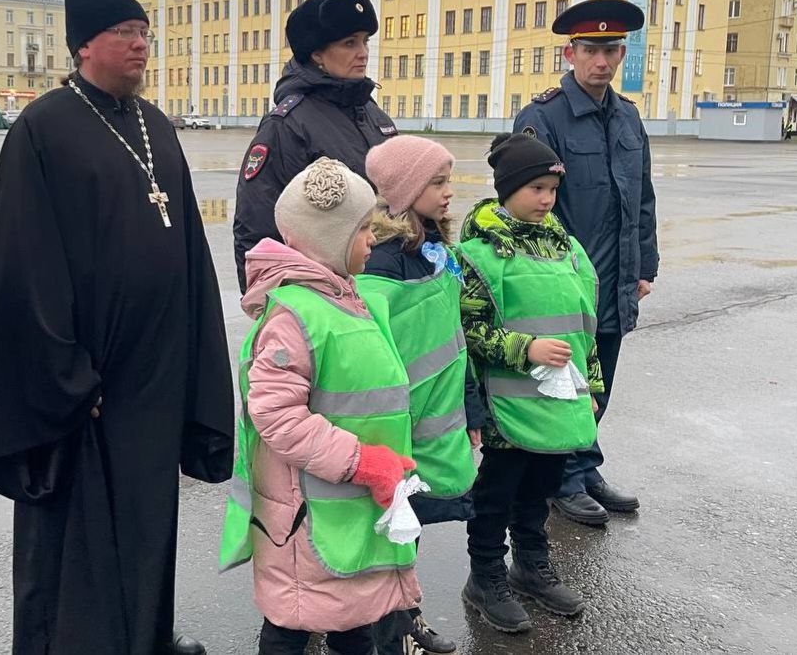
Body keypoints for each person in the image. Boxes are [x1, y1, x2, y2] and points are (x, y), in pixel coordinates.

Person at [0, 0, 234, 655]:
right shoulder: (44, 130)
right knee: (76, 537)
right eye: (125, 33)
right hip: (89, 385)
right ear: (84, 45)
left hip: (154, 378)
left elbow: (189, 253)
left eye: (144, 33)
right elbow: (23, 268)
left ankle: (145, 637)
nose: (141, 45)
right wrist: (68, 376)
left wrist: (195, 353)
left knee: (145, 523)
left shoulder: (156, 126)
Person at [219, 157, 421, 655]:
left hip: (345, 504)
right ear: (328, 240)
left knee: (352, 616)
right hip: (305, 515)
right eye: (362, 231)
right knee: (293, 620)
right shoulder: (295, 314)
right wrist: (363, 460)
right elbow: (275, 415)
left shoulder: (350, 298)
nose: (373, 240)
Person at [513, 0, 659, 526]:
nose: (602, 61)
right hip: (564, 282)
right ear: (571, 51)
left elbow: (642, 195)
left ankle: (585, 461)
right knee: (564, 379)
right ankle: (563, 478)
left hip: (616, 276)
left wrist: (645, 265)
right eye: (591, 50)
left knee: (601, 380)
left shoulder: (627, 116)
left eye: (612, 50)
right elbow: (527, 206)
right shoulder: (543, 116)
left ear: (622, 52)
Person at [456, 133, 602, 633]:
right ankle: (486, 576)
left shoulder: (567, 247)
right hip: (506, 409)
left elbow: (585, 324)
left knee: (541, 489)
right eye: (536, 188)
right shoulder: (479, 253)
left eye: (552, 190)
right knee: (497, 493)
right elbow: (469, 332)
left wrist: (594, 386)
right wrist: (526, 349)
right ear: (507, 188)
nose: (546, 200)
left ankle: (532, 566)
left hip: (560, 403)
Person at [359, 136, 483, 655]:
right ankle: (381, 630)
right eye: (437, 182)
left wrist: (471, 407)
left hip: (438, 417)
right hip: (397, 422)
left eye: (448, 180)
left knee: (410, 527)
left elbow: (454, 342)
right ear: (406, 190)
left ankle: (404, 615)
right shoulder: (384, 262)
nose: (450, 192)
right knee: (388, 527)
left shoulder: (436, 249)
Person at [232, 0, 396, 290]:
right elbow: (257, 229)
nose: (363, 52)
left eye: (365, 41)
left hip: (387, 291)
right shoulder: (288, 125)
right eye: (349, 43)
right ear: (316, 53)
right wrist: (280, 309)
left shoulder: (374, 115)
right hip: (328, 299)